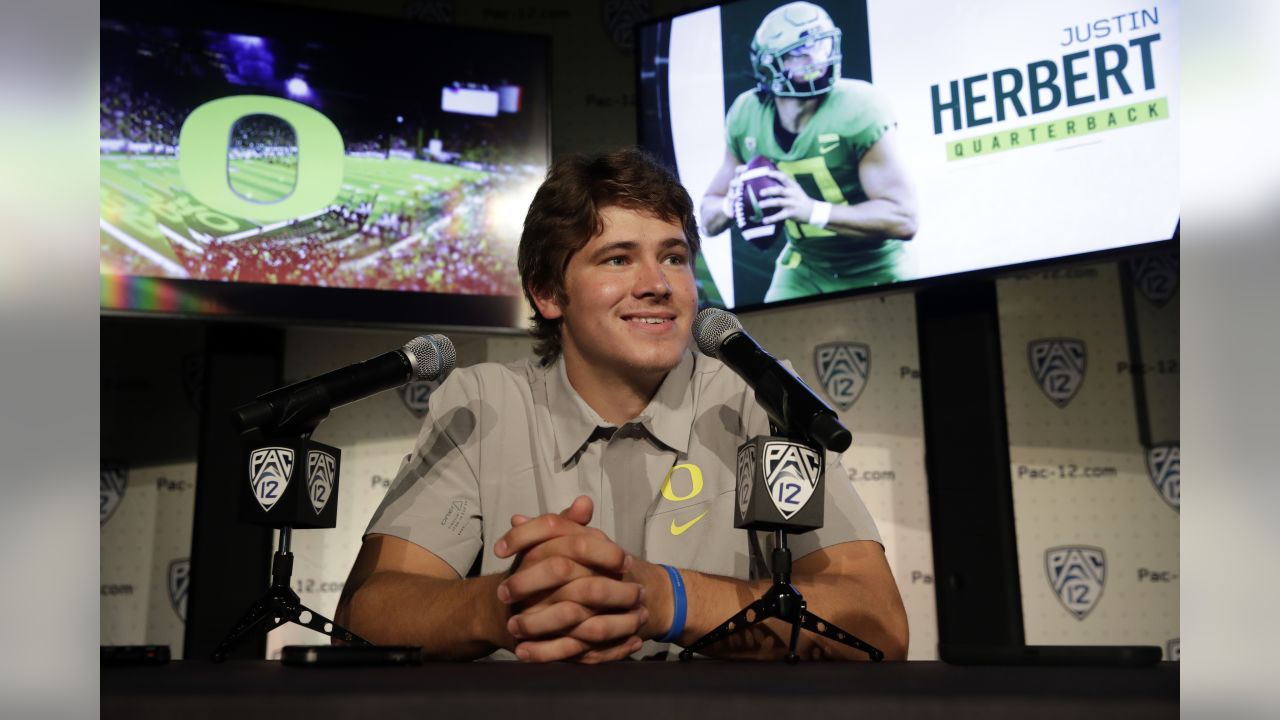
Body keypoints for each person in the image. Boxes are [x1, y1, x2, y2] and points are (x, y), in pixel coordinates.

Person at [335, 147, 907, 662]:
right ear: (547, 292)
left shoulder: (759, 399)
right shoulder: (481, 403)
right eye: (618, 259)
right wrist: (510, 605)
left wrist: (663, 597)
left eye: (675, 258)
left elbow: (877, 624)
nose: (658, 284)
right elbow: (366, 618)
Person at [701, 1, 918, 303]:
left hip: (876, 266)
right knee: (766, 343)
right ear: (769, 65)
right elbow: (707, 219)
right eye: (801, 52)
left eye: (822, 46)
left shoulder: (860, 107)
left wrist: (812, 210)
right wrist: (731, 205)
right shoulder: (746, 114)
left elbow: (904, 218)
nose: (818, 59)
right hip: (806, 267)